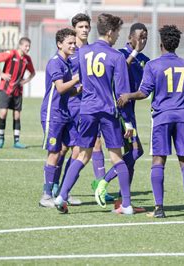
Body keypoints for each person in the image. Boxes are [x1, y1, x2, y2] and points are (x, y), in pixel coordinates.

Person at [54, 13, 135, 215]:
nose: (117, 36)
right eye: (117, 32)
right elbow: (122, 94)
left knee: (82, 155)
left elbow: (77, 79)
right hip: (107, 111)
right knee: (117, 157)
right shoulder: (117, 56)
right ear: (110, 32)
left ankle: (61, 196)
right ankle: (126, 204)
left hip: (87, 110)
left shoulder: (82, 53)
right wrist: (128, 122)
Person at [117, 25, 184, 219]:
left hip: (161, 117)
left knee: (158, 161)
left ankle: (159, 208)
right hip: (182, 116)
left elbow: (144, 92)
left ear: (161, 43)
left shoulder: (153, 65)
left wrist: (128, 95)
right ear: (176, 44)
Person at [93, 22, 150, 212]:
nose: (143, 40)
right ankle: (103, 183)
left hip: (130, 112)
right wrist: (134, 54)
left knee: (133, 156)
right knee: (135, 152)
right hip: (118, 112)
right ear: (130, 38)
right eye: (140, 36)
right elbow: (119, 73)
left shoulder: (145, 60)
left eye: (146, 37)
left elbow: (145, 89)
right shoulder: (119, 54)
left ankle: (123, 201)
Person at [39, 28, 80, 208]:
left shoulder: (68, 63)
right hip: (52, 114)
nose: (73, 45)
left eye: (74, 42)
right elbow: (61, 88)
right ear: (59, 44)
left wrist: (81, 88)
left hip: (65, 113)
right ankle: (46, 195)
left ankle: (63, 191)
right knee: (54, 152)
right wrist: (77, 79)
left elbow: (69, 91)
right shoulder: (55, 62)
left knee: (77, 149)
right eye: (69, 43)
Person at [0, 37, 35, 149]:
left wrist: (24, 81)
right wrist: (1, 74)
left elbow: (33, 73)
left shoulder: (27, 59)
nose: (28, 48)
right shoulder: (11, 53)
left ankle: (17, 141)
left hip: (17, 90)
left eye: (29, 46)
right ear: (20, 46)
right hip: (6, 88)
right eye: (26, 46)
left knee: (17, 115)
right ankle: (1, 138)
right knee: (3, 113)